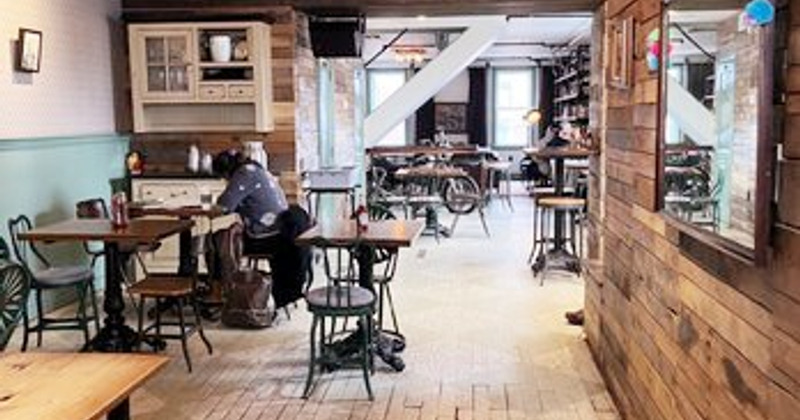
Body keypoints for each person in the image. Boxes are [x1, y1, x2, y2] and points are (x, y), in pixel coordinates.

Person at [213, 149, 311, 311]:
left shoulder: (243, 174)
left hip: (266, 236)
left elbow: (225, 205)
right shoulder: (257, 170)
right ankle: (223, 291)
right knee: (224, 237)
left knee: (216, 240)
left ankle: (222, 293)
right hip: (282, 232)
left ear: (226, 171)